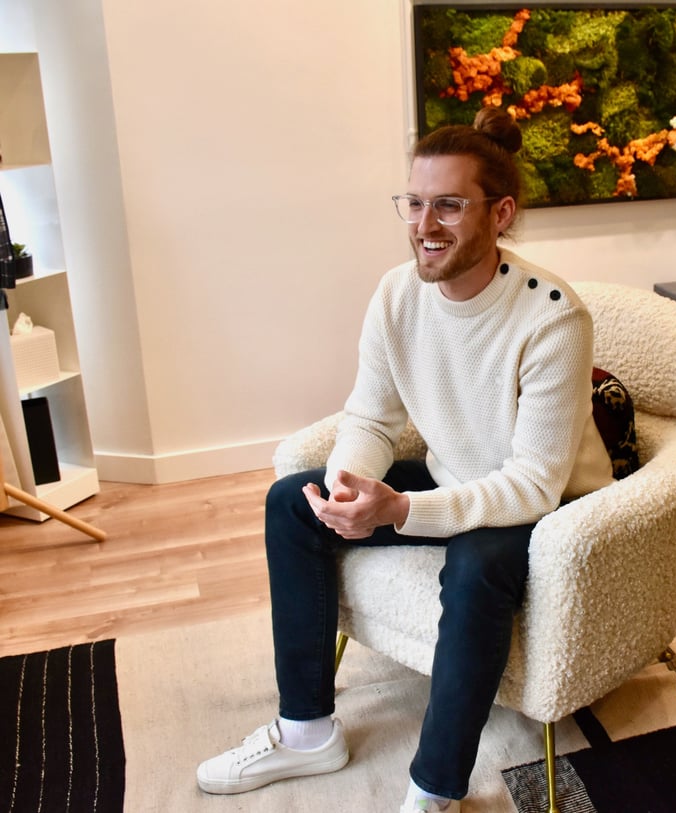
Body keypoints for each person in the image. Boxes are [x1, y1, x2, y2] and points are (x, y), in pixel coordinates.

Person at [196, 107, 614, 812]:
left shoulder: (552, 316)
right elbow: (372, 416)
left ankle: (435, 789)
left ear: (500, 212)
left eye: (449, 205)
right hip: (462, 477)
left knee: (479, 566)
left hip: (552, 508)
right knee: (291, 504)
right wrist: (350, 485)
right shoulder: (397, 294)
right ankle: (306, 730)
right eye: (415, 203)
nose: (425, 225)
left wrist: (404, 510)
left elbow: (536, 482)